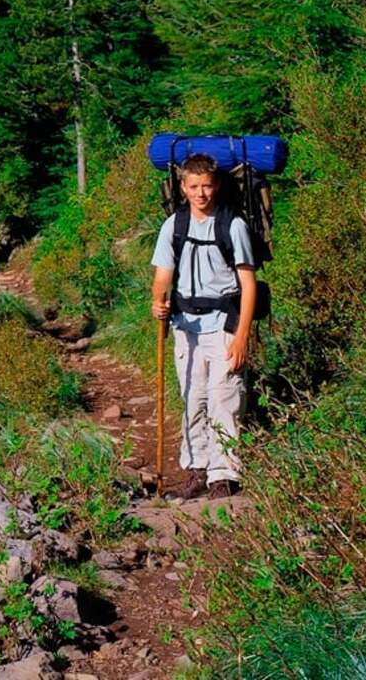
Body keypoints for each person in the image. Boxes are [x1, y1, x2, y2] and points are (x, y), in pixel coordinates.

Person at [150, 153, 257, 500]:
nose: (201, 193)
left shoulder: (233, 225)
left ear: (217, 185)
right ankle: (196, 467)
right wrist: (158, 299)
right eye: (194, 186)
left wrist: (242, 337)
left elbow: (249, 284)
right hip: (186, 326)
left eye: (206, 186)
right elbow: (163, 275)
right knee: (192, 398)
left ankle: (224, 475)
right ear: (182, 187)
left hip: (225, 324)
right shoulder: (174, 226)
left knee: (224, 399)